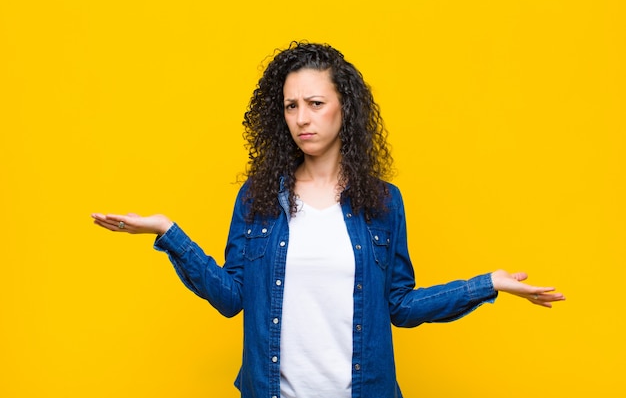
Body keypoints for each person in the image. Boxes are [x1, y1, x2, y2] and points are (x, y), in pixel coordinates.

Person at [92, 42, 565, 398]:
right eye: (291, 106)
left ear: (345, 109)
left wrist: (487, 284)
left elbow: (399, 305)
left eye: (315, 104)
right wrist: (168, 233)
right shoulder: (256, 199)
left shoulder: (383, 203)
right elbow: (231, 298)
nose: (302, 118)